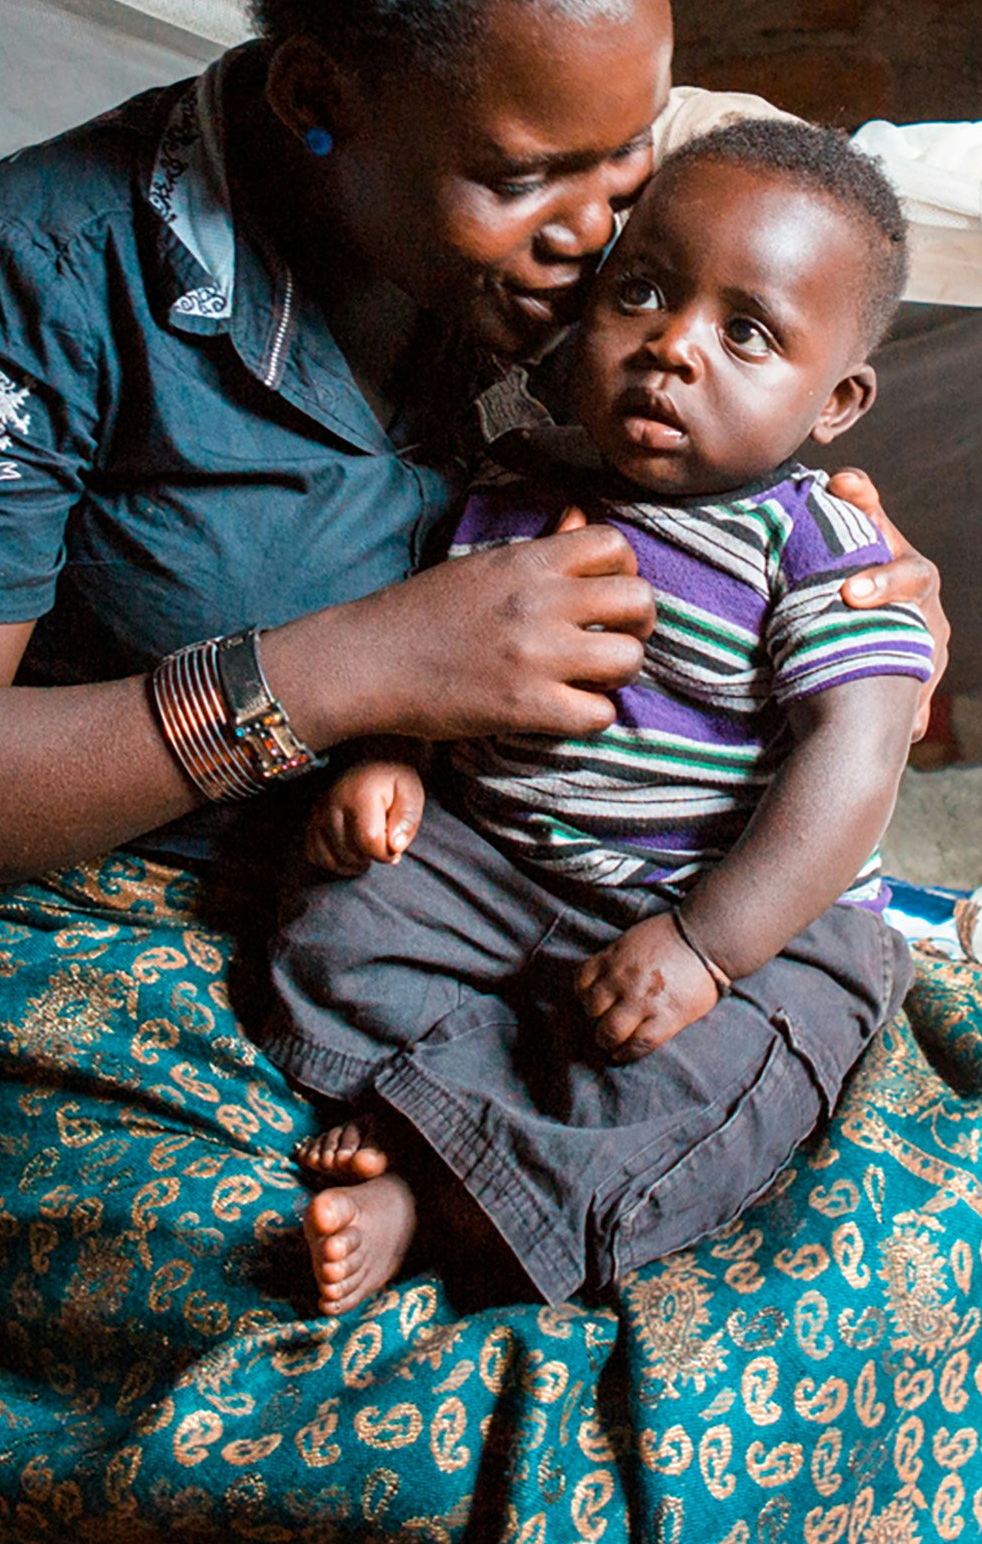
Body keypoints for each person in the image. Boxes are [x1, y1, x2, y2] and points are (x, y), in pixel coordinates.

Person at [0, 0, 948, 1507]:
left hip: (479, 876)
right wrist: (355, 667)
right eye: (525, 175)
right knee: (339, 1352)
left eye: (630, 153)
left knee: (882, 1165)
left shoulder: (604, 271)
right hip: (77, 916)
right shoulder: (24, 286)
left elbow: (745, 436)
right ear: (319, 94)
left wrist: (849, 581)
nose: (597, 231)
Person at [267, 118, 935, 1314]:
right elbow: (434, 648)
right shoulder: (517, 479)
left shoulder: (821, 548)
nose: (670, 348)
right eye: (641, 291)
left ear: (835, 400)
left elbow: (858, 756)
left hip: (734, 902)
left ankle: (427, 1193)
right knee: (335, 919)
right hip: (506, 862)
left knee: (712, 1087)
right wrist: (392, 758)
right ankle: (437, 1105)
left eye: (745, 333)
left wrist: (705, 948)